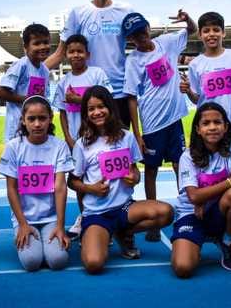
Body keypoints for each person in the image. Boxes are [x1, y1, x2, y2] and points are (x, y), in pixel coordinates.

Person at [68, 86, 173, 273]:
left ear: (110, 107)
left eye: (101, 106)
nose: (97, 112)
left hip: (125, 207)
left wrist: (135, 178)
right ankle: (97, 234)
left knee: (166, 212)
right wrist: (92, 189)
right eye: (91, 109)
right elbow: (72, 181)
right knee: (93, 264)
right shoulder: (82, 144)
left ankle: (123, 232)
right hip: (96, 213)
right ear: (85, 113)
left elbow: (135, 172)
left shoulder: (127, 137)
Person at [122, 10, 195, 241]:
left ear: (148, 27)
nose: (141, 36)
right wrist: (137, 132)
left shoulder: (168, 42)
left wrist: (187, 19)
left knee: (179, 166)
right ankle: (153, 221)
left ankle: (185, 212)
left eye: (142, 30)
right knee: (151, 171)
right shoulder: (133, 60)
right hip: (152, 125)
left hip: (174, 120)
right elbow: (131, 97)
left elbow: (192, 30)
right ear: (130, 39)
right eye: (135, 35)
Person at [46, 0, 134, 128]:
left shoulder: (126, 10)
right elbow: (60, 53)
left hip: (119, 91)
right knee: (90, 146)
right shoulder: (78, 13)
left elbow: (142, 42)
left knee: (119, 145)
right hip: (89, 94)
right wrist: (32, 72)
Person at [170, 102, 231, 277]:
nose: (212, 127)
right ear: (198, 129)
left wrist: (205, 197)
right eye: (206, 124)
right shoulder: (187, 156)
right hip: (191, 214)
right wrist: (228, 183)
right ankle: (192, 242)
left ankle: (227, 241)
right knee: (183, 268)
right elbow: (193, 196)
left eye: (217, 122)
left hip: (216, 211)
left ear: (225, 126)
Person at [0, 96, 74, 271]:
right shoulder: (14, 147)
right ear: (23, 121)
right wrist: (23, 224)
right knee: (31, 263)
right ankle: (30, 241)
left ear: (50, 119)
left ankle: (47, 244)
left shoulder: (59, 146)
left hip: (51, 218)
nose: (37, 124)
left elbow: (61, 188)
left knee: (58, 261)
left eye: (42, 118)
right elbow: (11, 188)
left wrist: (61, 226)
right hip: (25, 219)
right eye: (31, 119)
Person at [52, 34, 112, 239]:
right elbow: (61, 112)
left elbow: (107, 99)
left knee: (102, 177)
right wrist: (69, 138)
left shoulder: (97, 74)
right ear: (66, 55)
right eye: (71, 51)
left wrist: (78, 99)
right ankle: (85, 215)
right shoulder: (64, 82)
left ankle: (107, 217)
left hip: (100, 137)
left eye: (80, 51)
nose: (75, 55)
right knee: (79, 179)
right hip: (78, 142)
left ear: (88, 54)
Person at [181, 12, 231, 155]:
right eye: (206, 31)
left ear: (223, 33)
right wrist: (188, 91)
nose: (211, 34)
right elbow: (198, 99)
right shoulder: (195, 64)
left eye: (216, 30)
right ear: (200, 35)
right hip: (209, 130)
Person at [0, 23, 51, 142]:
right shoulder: (21, 65)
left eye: (46, 42)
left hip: (35, 128)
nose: (42, 47)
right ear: (26, 47)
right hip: (17, 129)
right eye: (37, 43)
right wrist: (28, 100)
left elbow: (43, 97)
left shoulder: (45, 70)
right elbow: (0, 93)